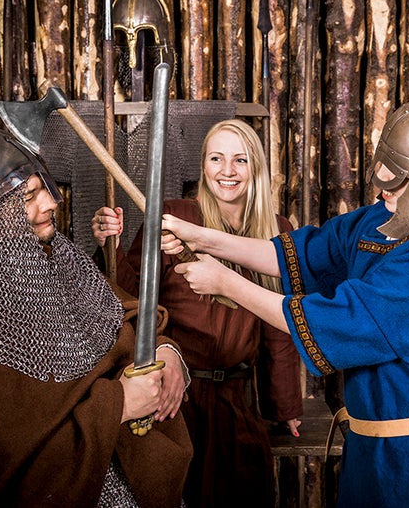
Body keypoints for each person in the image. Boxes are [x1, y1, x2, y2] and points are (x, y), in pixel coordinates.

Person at [160, 96, 409, 508]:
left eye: (399, 180)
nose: (383, 187)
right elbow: (301, 254)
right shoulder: (377, 221)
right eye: (384, 169)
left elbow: (335, 319)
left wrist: (226, 283)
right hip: (368, 450)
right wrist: (205, 238)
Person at [0, 121, 193, 508]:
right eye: (28, 196)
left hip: (136, 471)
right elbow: (8, 446)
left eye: (42, 187)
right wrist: (121, 403)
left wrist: (166, 351)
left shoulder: (54, 251)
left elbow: (121, 317)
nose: (51, 202)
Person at [92, 118, 303, 508]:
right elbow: (132, 294)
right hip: (176, 396)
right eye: (216, 158)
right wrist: (112, 244)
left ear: (255, 166)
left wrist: (285, 406)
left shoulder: (277, 232)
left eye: (240, 160)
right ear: (203, 165)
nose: (227, 171)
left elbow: (280, 327)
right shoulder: (175, 216)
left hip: (236, 400)